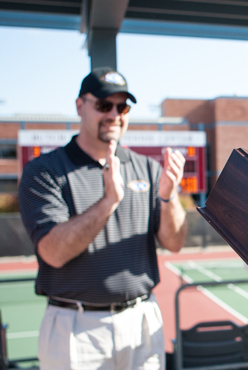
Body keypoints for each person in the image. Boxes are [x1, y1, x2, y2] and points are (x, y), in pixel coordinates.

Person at [18, 67, 189, 370]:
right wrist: (108, 201)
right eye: (103, 105)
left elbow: (174, 243)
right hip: (76, 328)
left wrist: (168, 196)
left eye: (122, 107)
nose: (114, 114)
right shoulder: (44, 171)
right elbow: (53, 253)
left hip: (141, 320)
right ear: (79, 106)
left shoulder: (147, 168)